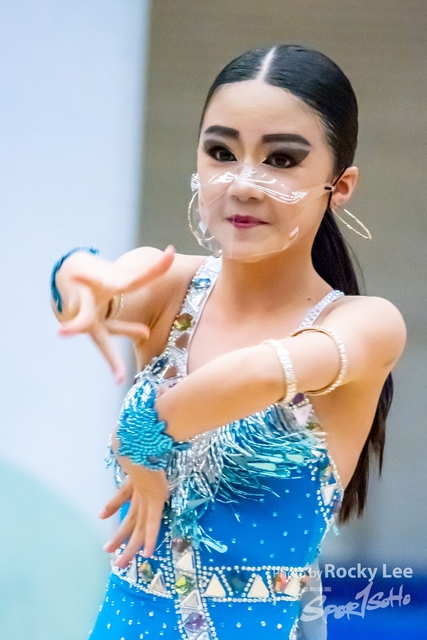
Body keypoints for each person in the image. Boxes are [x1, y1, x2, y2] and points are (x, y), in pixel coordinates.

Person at [51, 45, 406, 640]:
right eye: (221, 153)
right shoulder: (167, 287)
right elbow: (97, 287)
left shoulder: (365, 325)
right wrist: (75, 276)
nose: (243, 184)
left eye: (281, 159)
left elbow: (259, 376)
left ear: (339, 186)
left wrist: (144, 435)